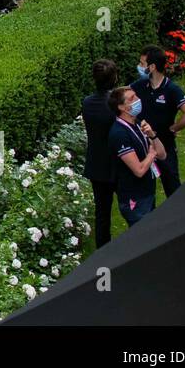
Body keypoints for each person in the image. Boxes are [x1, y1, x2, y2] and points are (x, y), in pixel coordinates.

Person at [132, 45, 185, 199]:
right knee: (144, 190)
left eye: (142, 64)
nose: (139, 67)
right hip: (143, 146)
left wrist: (174, 127)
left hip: (164, 145)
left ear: (152, 67)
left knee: (172, 187)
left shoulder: (171, 89)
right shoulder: (140, 85)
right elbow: (120, 98)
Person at [108, 85, 167, 227]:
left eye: (136, 96)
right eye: (132, 99)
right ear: (122, 107)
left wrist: (152, 135)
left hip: (147, 192)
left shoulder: (138, 123)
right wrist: (151, 154)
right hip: (135, 198)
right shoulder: (119, 133)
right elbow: (139, 170)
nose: (138, 100)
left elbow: (162, 155)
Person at [82, 59, 119, 249]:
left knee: (102, 213)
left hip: (97, 164)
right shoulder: (115, 105)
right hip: (117, 163)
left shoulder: (87, 103)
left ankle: (103, 250)